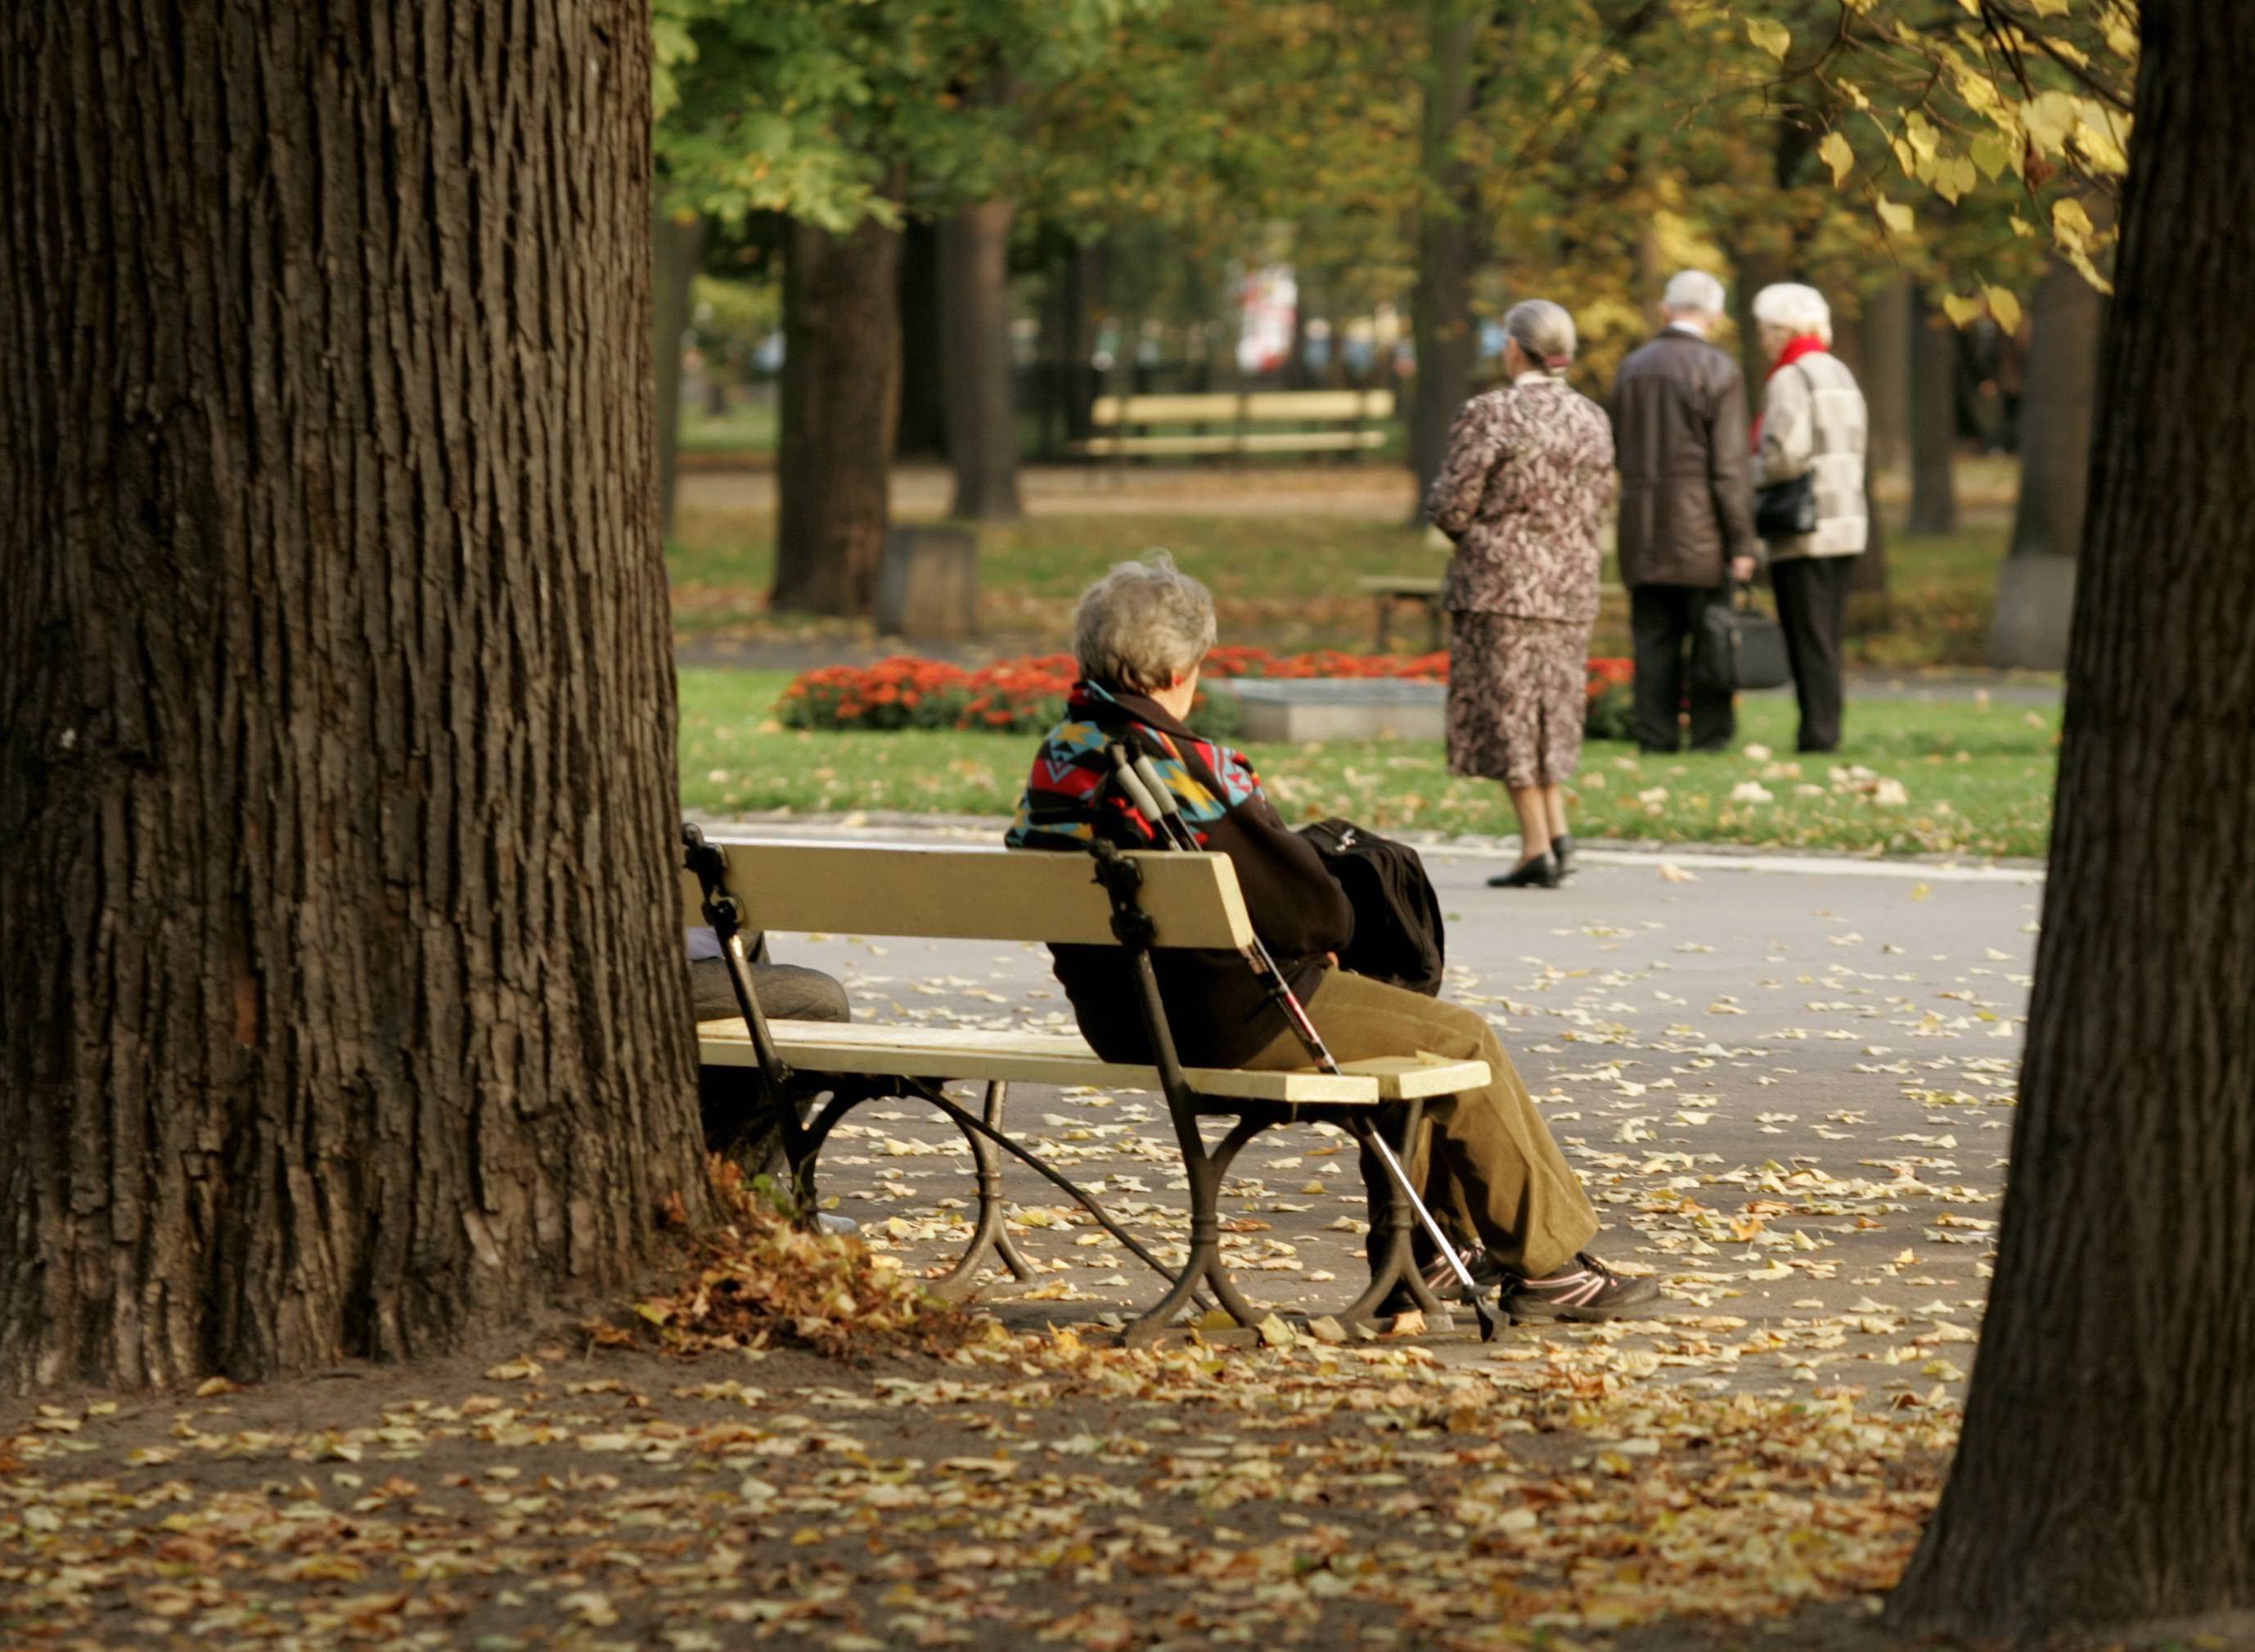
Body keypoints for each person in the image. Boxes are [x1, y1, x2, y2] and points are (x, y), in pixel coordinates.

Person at [1007, 554, 1658, 1323]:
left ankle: (1431, 1255)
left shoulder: (1059, 758)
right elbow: (1309, 912)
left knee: (1404, 1034)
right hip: (1230, 1019)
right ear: (1181, 664)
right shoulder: (1188, 766)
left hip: (1123, 1020)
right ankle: (1548, 1268)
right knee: (1462, 1042)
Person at [1425, 299, 1618, 890]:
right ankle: (1557, 830)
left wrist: (1486, 539)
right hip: (1569, 588)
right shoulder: (1592, 418)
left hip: (1501, 585)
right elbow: (1600, 503)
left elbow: (1451, 504)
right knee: (1551, 710)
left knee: (1510, 715)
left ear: (1514, 346)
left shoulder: (1491, 412)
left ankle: (1535, 844)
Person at [1609, 270, 1761, 754]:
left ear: (1666, 309)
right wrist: (1742, 541)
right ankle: (1711, 737)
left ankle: (1655, 737)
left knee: (1653, 641)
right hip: (1702, 531)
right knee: (1711, 637)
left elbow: (1615, 446)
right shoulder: (1718, 369)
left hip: (1642, 526)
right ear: (1715, 316)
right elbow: (1731, 466)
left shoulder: (1631, 367)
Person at [1750, 282, 1869, 754]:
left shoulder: (1790, 378)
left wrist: (1750, 469)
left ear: (1783, 331)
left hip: (1805, 525)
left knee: (1807, 636)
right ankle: (1824, 727)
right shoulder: (1840, 372)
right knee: (1828, 636)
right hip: (1845, 521)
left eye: (1765, 330)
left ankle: (1818, 734)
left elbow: (1785, 454)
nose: (1762, 339)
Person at [686, 926, 852, 1204]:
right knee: (824, 1004)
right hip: (646, 969)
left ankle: (742, 1183)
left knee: (739, 926)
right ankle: (745, 1192)